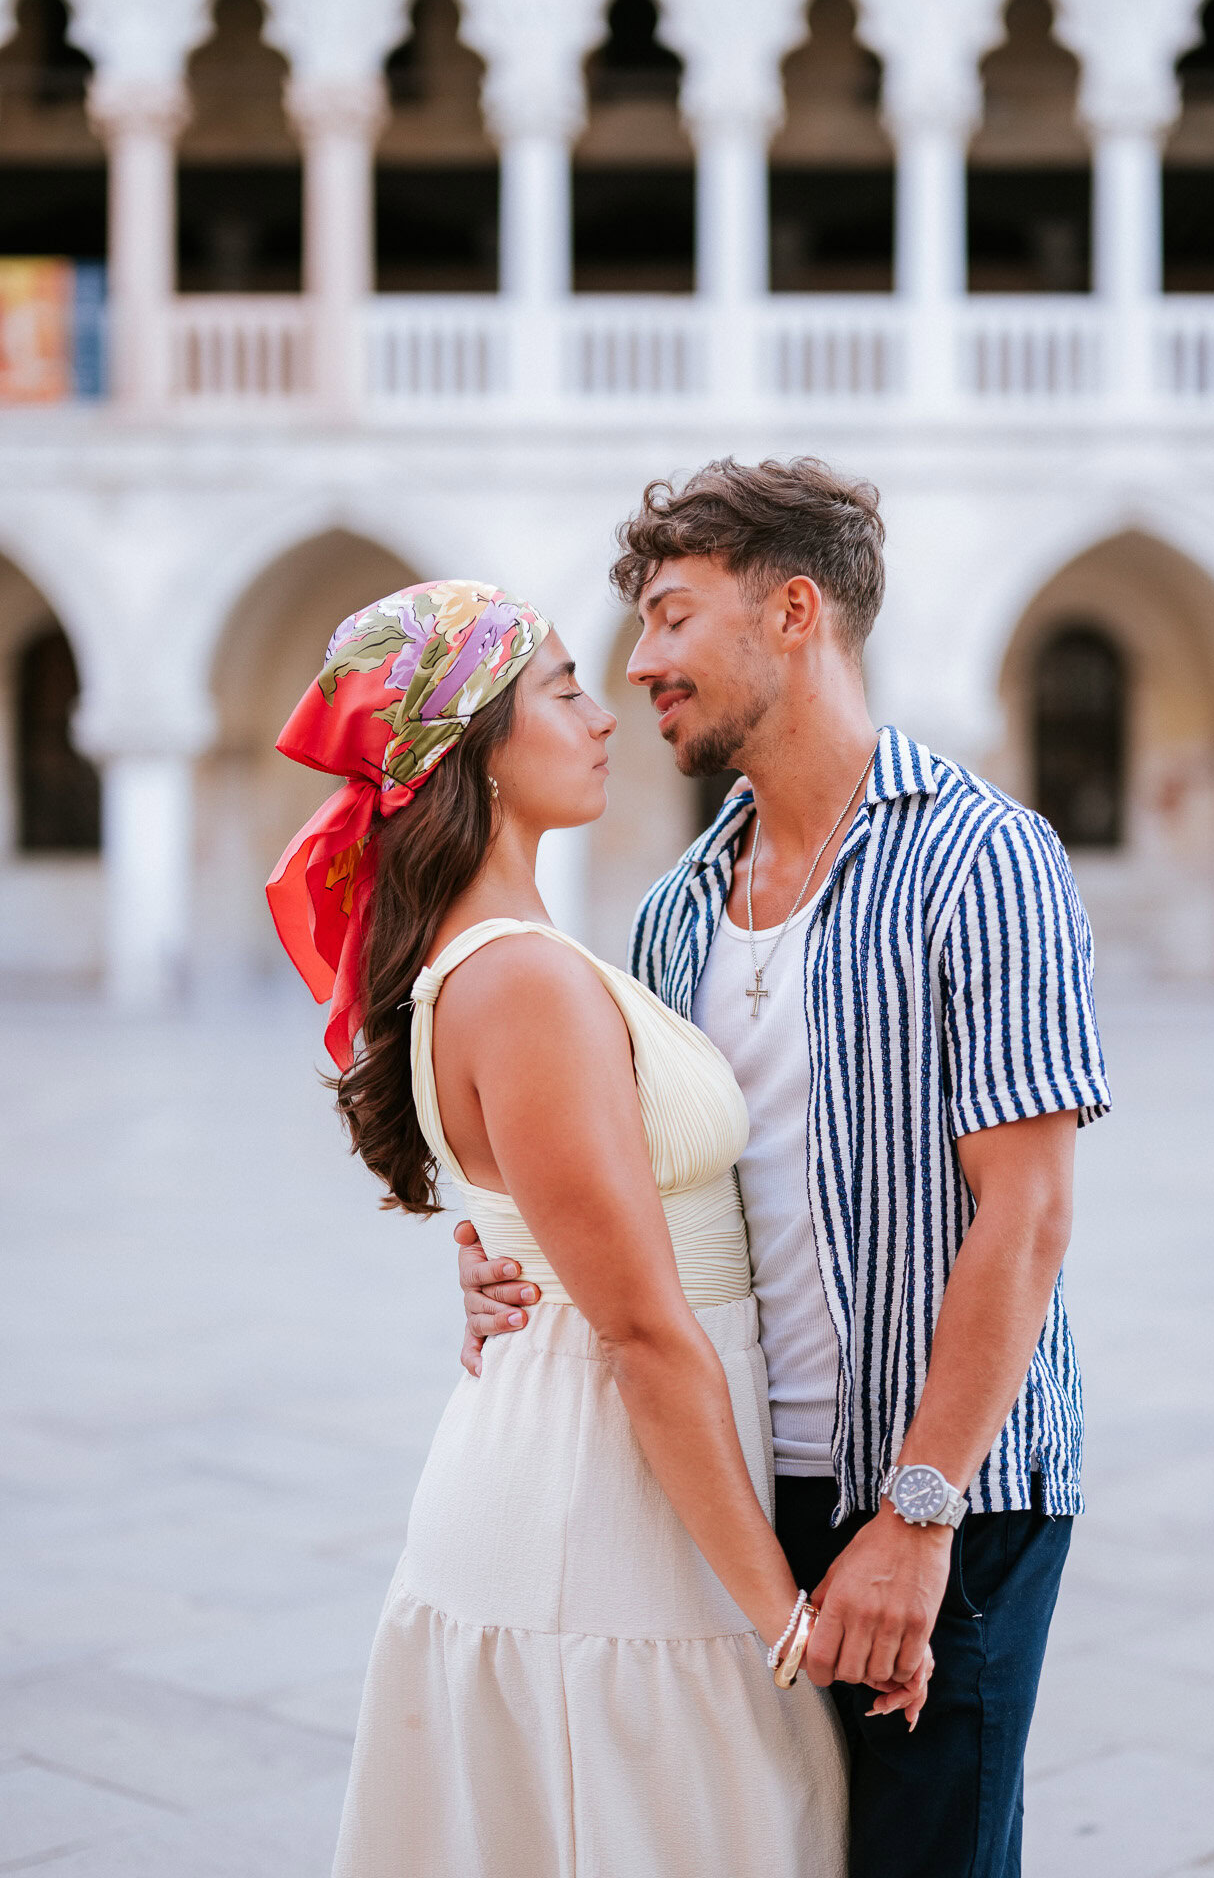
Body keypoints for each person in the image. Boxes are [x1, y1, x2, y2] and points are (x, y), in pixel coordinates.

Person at [458, 459, 1112, 1878]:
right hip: (741, 1489)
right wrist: (499, 1260)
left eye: (674, 619)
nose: (642, 666)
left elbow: (1031, 1212)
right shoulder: (677, 912)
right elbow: (636, 1195)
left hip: (958, 1498)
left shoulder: (981, 859)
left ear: (794, 613)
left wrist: (919, 1512)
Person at [266, 577, 892, 1878]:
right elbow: (649, 1332)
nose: (603, 714)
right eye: (560, 688)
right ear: (474, 751)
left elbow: (555, 1217)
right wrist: (781, 1620)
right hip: (608, 1506)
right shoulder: (523, 977)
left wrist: (500, 1257)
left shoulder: (511, 956)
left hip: (594, 1469)